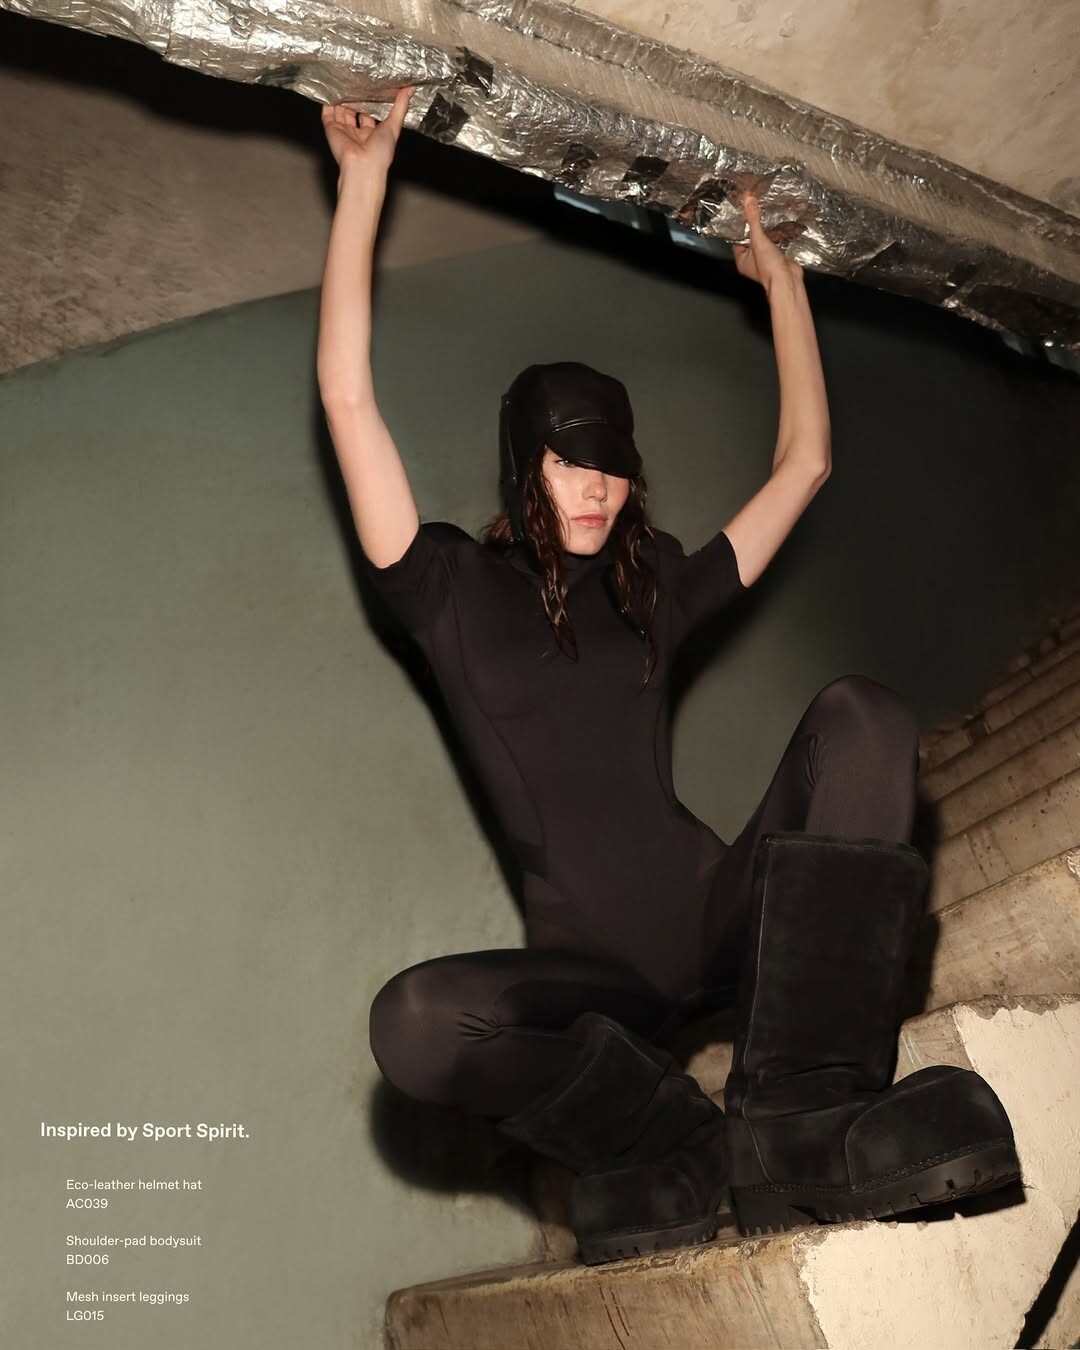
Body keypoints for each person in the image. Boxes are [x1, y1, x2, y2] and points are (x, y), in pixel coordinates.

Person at [317, 88, 1020, 1265]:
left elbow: (805, 464)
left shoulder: (655, 592)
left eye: (611, 465)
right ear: (525, 469)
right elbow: (348, 400)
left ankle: (801, 1117)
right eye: (567, 461)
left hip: (713, 918)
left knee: (865, 715)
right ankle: (668, 1143)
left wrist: (783, 284)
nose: (595, 485)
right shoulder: (446, 588)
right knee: (416, 1027)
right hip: (589, 979)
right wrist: (363, 186)